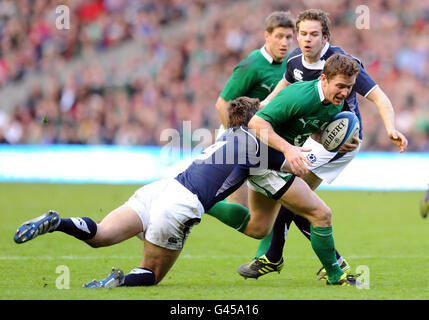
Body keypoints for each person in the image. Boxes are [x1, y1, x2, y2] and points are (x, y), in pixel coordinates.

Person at [13, 90, 362, 287]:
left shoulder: (226, 139)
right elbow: (295, 170)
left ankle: (57, 221)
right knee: (151, 273)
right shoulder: (258, 148)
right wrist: (330, 146)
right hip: (180, 207)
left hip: (160, 188)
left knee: (101, 234)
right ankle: (117, 282)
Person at [237, 8, 408, 280]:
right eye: (302, 33)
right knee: (292, 196)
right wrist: (257, 111)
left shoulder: (341, 63)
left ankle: (275, 257)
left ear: (325, 37)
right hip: (311, 137)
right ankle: (318, 261)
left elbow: (380, 98)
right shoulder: (294, 60)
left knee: (293, 193)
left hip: (340, 140)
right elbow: (283, 90)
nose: (306, 39)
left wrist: (391, 128)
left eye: (314, 34)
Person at [207, 11, 341, 268]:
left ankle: (269, 256)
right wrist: (238, 137)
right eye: (279, 36)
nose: (284, 42)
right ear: (266, 36)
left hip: (269, 144)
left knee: (275, 211)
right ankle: (190, 205)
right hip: (246, 143)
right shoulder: (252, 65)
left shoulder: (292, 64)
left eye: (289, 37)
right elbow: (222, 103)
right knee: (257, 212)